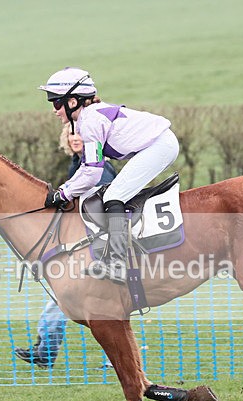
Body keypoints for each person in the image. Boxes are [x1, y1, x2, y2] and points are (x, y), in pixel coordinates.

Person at [40, 66, 179, 284]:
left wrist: (63, 193)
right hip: (159, 144)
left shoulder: (89, 122)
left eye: (56, 102)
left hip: (160, 145)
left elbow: (93, 173)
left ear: (73, 102)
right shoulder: (88, 118)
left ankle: (118, 263)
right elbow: (88, 168)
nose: (54, 109)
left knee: (114, 196)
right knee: (113, 194)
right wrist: (64, 190)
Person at [14, 126, 116, 369]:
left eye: (79, 134)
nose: (75, 138)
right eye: (71, 135)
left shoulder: (97, 167)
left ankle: (47, 352)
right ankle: (45, 351)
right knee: (67, 297)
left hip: (96, 249)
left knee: (86, 301)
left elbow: (95, 203)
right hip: (83, 246)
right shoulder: (78, 165)